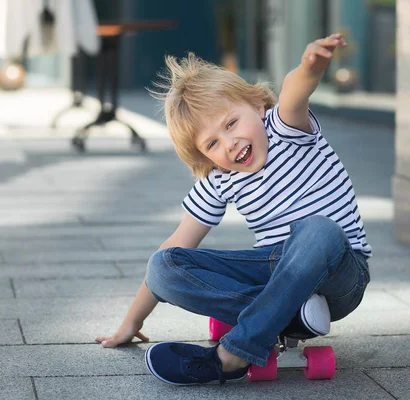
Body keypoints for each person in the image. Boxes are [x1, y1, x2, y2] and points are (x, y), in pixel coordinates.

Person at [95, 33, 371, 385]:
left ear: (258, 106)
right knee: (163, 267)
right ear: (203, 156)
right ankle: (289, 315)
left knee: (318, 229)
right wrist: (132, 322)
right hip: (275, 269)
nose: (230, 143)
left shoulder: (284, 129)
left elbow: (293, 93)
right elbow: (178, 243)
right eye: (212, 143)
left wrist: (309, 68)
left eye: (231, 123)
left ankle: (231, 355)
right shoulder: (219, 179)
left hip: (340, 273)